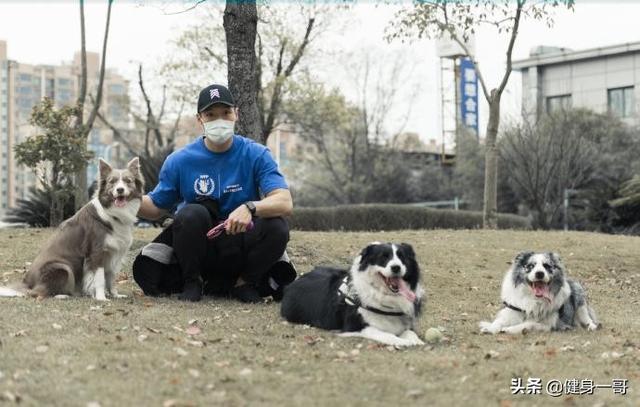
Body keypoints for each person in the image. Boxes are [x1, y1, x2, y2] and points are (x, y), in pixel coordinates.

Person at [133, 84, 295, 303]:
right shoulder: (179, 160)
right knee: (190, 214)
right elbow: (155, 207)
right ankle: (192, 281)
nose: (220, 120)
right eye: (211, 114)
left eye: (226, 113)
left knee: (277, 225)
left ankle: (245, 283)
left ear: (236, 113)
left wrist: (250, 207)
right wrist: (124, 196)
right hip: (200, 249)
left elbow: (284, 201)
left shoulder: (256, 154)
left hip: (242, 245)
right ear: (200, 119)